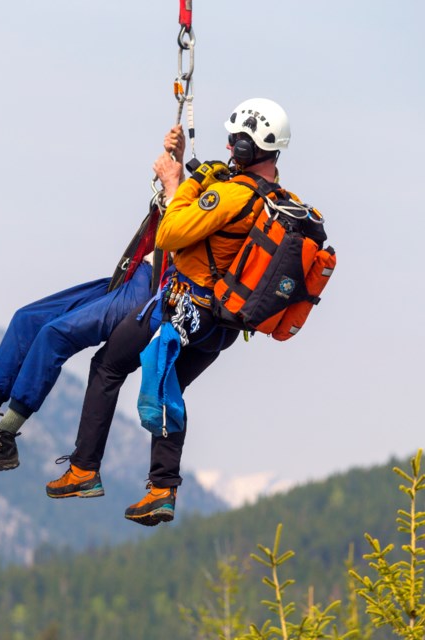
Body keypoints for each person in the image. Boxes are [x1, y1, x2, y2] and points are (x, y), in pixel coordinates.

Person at [43, 98, 305, 526]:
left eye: (234, 140)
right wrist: (190, 169)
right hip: (221, 326)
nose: (227, 145)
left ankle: (84, 468)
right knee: (168, 387)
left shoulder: (229, 194)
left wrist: (175, 181)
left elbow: (169, 232)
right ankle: (162, 489)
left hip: (184, 307)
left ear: (246, 146)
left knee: (108, 366)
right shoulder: (279, 199)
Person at [0, 126, 186, 476]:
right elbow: (180, 208)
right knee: (27, 318)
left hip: (149, 291)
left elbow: (185, 230)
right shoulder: (208, 189)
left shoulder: (226, 204)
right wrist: (177, 163)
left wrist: (173, 183)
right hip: (132, 275)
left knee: (54, 334)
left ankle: (3, 437)